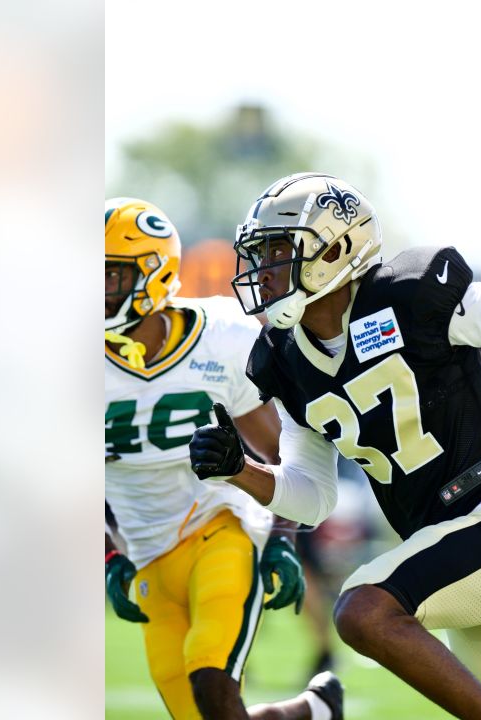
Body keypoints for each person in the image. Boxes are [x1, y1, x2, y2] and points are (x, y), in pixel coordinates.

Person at [189, 174, 481, 720]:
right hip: (449, 549)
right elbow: (314, 498)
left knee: (364, 611)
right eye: (262, 253)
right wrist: (242, 470)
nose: (266, 268)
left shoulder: (410, 296)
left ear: (336, 247)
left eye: (281, 250)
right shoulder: (284, 360)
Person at [103, 197, 343, 720]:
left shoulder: (220, 340)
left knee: (213, 681)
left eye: (109, 277)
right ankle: (310, 712)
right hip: (147, 556)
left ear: (152, 274)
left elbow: (285, 453)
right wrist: (107, 556)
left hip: (222, 529)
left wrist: (282, 541)